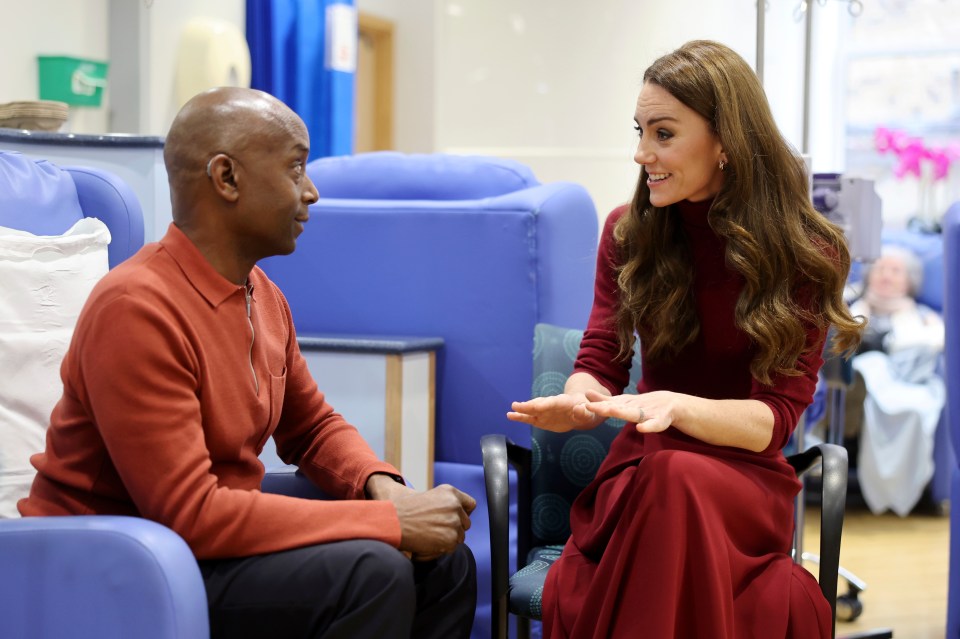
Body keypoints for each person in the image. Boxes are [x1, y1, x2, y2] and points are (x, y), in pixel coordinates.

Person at [19, 87, 477, 639]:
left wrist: (383, 487)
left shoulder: (262, 293)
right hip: (108, 560)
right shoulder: (135, 308)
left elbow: (312, 428)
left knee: (444, 561)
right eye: (295, 168)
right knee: (371, 571)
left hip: (193, 541)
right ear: (227, 178)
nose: (311, 192)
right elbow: (190, 513)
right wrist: (388, 523)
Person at [507, 40, 862, 638]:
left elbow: (774, 421)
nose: (643, 153)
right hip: (644, 475)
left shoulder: (805, 250)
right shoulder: (628, 231)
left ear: (726, 141)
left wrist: (674, 406)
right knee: (670, 474)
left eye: (663, 133)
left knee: (678, 478)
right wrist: (582, 399)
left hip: (743, 484)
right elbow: (600, 358)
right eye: (640, 131)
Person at [847, 244, 945, 516]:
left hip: (906, 384)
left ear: (909, 281)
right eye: (880, 269)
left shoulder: (923, 315)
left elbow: (938, 342)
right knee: (868, 365)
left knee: (913, 409)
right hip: (864, 380)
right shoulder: (851, 308)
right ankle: (849, 407)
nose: (886, 276)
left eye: (895, 271)